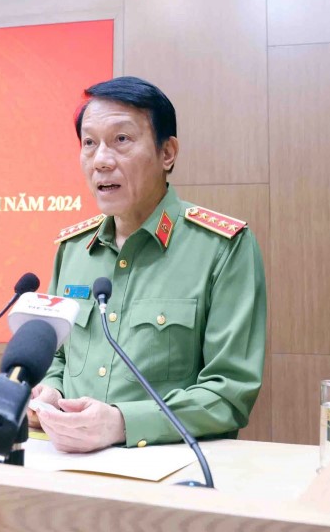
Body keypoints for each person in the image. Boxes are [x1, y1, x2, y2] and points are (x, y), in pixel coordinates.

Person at [28, 76, 266, 453]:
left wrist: (122, 423)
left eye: (121, 139)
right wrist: (50, 392)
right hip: (67, 463)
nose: (101, 160)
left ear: (167, 153)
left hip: (171, 469)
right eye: (89, 143)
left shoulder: (222, 247)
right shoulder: (73, 249)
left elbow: (228, 393)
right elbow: (58, 357)